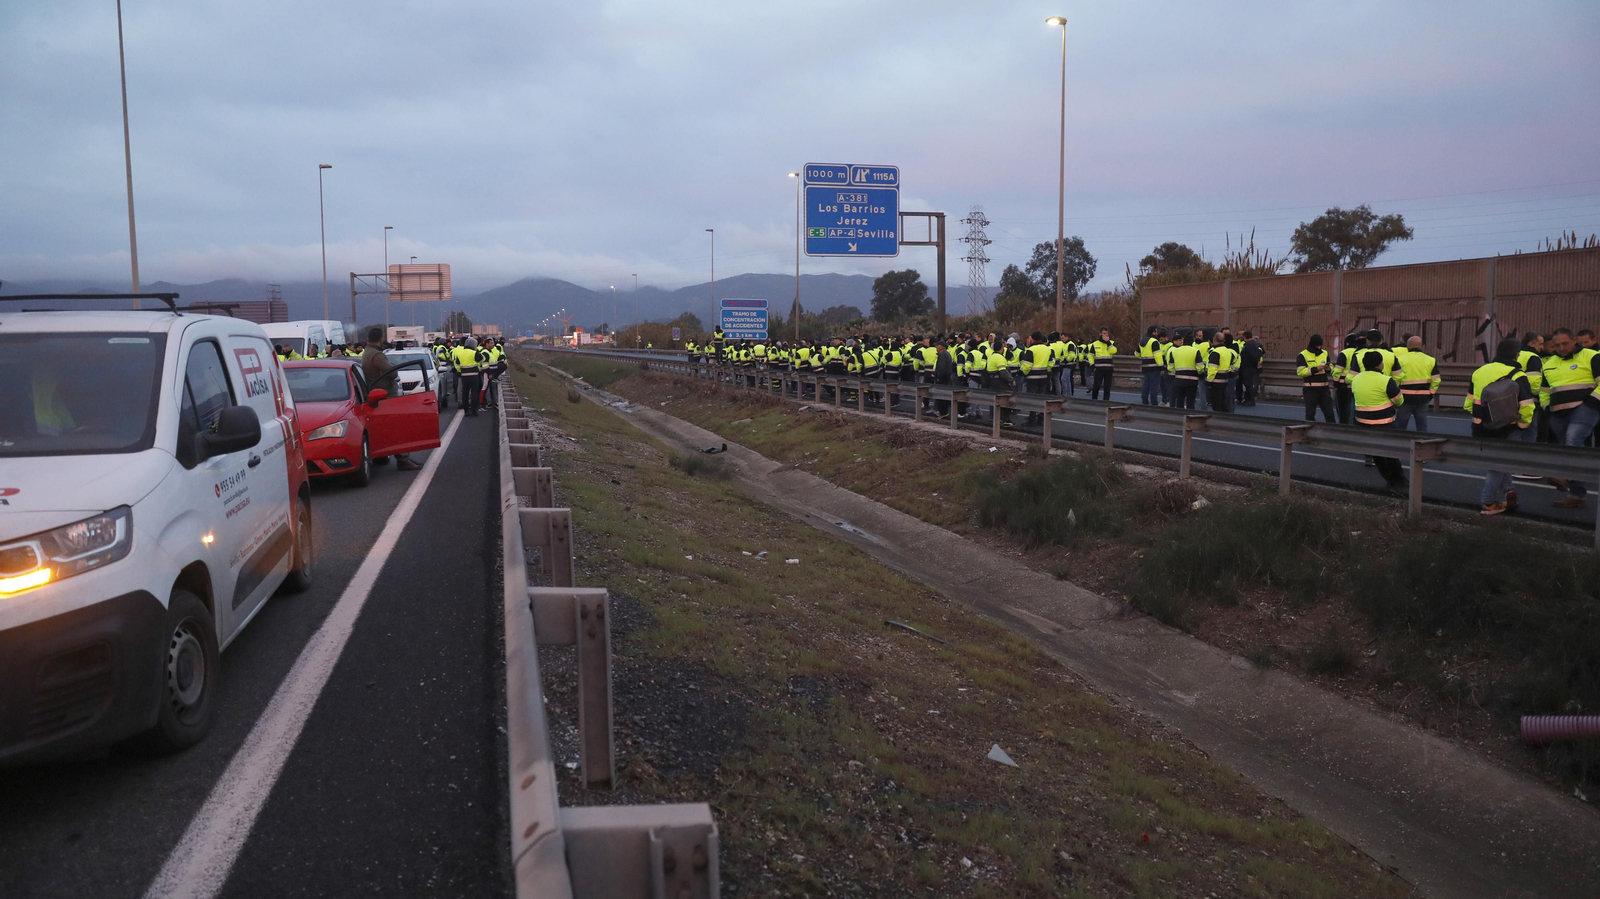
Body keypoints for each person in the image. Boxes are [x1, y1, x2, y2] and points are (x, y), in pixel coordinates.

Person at [1466, 338, 1535, 515]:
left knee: (1500, 461)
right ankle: (1488, 501)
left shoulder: (1479, 372)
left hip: (1481, 427)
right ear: (1516, 354)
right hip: (1508, 427)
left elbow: (1469, 403)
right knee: (1498, 465)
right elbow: (1527, 405)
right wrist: (1522, 425)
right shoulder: (1518, 374)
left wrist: (1480, 420)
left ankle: (1508, 491)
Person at [1539, 328, 1600, 507]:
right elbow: (1543, 391)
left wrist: (1590, 403)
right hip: (1558, 413)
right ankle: (1577, 496)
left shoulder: (1591, 356)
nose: (1561, 347)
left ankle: (1564, 474)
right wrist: (1547, 407)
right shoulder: (1549, 363)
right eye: (1557, 345)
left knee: (1573, 440)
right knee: (1569, 448)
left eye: (1565, 343)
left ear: (1574, 340)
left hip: (1584, 409)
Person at [361, 327, 423, 471]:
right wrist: (391, 366)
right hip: (386, 395)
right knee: (397, 428)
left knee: (386, 428)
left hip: (378, 394)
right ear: (380, 339)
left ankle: (385, 456)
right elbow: (393, 373)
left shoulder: (367, 353)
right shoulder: (376, 355)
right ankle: (403, 459)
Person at [1350, 349, 1407, 494]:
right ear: (1379, 365)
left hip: (1362, 422)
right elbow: (1399, 401)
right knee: (1391, 453)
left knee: (1377, 454)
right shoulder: (1386, 380)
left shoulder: (1356, 379)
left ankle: (1389, 481)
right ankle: (1399, 482)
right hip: (1384, 423)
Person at [1394, 335, 1440, 431]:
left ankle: (1398, 443)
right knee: (1422, 426)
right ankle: (1423, 444)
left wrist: (1396, 394)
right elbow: (1436, 380)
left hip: (1405, 397)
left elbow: (1396, 378)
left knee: (1400, 426)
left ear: (1408, 346)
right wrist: (1431, 393)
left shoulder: (1400, 359)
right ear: (1421, 346)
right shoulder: (1431, 360)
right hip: (1423, 398)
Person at [1296, 334, 1335, 422]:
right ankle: (1310, 433)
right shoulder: (1303, 355)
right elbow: (1300, 372)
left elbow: (1332, 368)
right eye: (1317, 345)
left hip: (1324, 389)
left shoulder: (1325, 353)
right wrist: (1316, 369)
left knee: (1330, 414)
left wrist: (1329, 369)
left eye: (1320, 345)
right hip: (1310, 389)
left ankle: (1333, 433)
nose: (1319, 347)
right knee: (1310, 415)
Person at [1166, 331, 1201, 410]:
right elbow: (1200, 367)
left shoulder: (1175, 351)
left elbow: (1170, 367)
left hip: (1179, 380)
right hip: (1192, 381)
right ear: (1192, 341)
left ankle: (1179, 417)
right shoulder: (1195, 351)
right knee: (1190, 402)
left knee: (1180, 401)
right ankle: (1190, 418)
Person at [1203, 332, 1238, 412]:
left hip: (1216, 381)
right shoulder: (1227, 351)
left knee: (1216, 404)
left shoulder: (1215, 352)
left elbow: (1212, 369)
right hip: (1225, 380)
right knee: (1223, 402)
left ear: (1214, 339)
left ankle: (1218, 420)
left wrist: (1209, 382)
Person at [452, 336, 484, 417]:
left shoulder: (460, 353)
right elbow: (482, 360)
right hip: (474, 375)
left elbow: (457, 364)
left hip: (464, 376)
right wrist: (478, 367)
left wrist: (460, 370)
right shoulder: (474, 353)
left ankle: (466, 410)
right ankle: (474, 410)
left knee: (465, 393)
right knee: (474, 393)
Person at [1089, 327, 1117, 401]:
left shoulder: (1111, 343)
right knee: (1096, 386)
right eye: (1104, 333)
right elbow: (1090, 355)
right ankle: (1094, 400)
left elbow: (1113, 351)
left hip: (1108, 368)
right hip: (1098, 369)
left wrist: (1108, 342)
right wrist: (1092, 365)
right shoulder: (1095, 344)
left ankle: (1106, 402)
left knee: (1107, 388)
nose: (1105, 335)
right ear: (1100, 334)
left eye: (1107, 333)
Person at [1238, 331, 1264, 406]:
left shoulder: (1249, 345)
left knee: (1248, 384)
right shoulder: (1254, 344)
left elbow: (1252, 356)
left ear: (1245, 337)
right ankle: (1247, 399)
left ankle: (1250, 400)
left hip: (1248, 367)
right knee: (1248, 384)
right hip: (1250, 367)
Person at [1138, 325, 1161, 405]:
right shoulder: (1154, 341)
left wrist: (1143, 356)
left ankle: (1145, 401)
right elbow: (1157, 355)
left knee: (1146, 385)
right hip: (1154, 368)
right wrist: (1161, 366)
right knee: (1154, 387)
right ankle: (1154, 403)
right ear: (1153, 332)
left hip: (1145, 367)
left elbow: (1137, 353)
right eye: (1156, 332)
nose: (1157, 333)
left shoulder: (1142, 340)